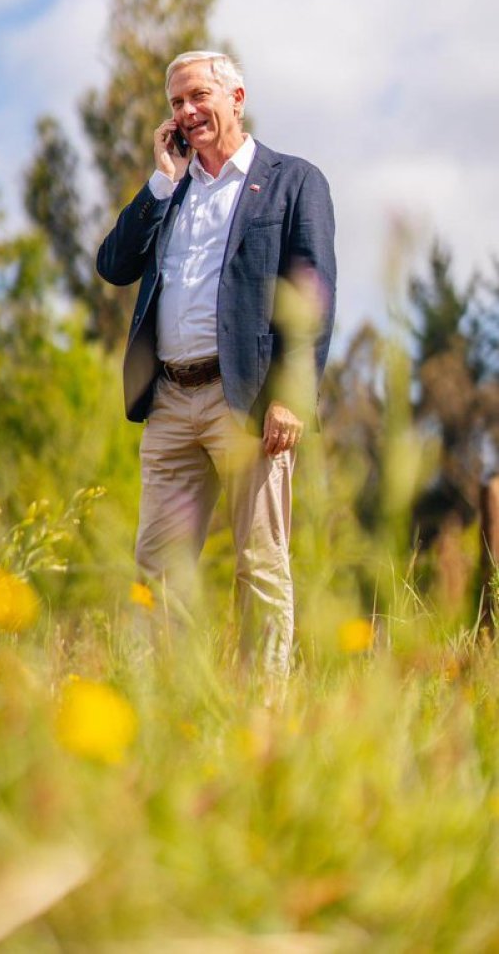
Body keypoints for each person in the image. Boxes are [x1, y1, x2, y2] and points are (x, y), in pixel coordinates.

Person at [96, 50, 336, 678]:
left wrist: (293, 396)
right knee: (158, 568)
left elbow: (312, 295)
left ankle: (262, 718)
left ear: (236, 97)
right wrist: (160, 182)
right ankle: (160, 711)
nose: (186, 111)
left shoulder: (292, 180)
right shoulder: (170, 191)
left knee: (259, 563)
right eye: (176, 102)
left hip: (248, 402)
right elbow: (113, 266)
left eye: (198, 96)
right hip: (171, 403)